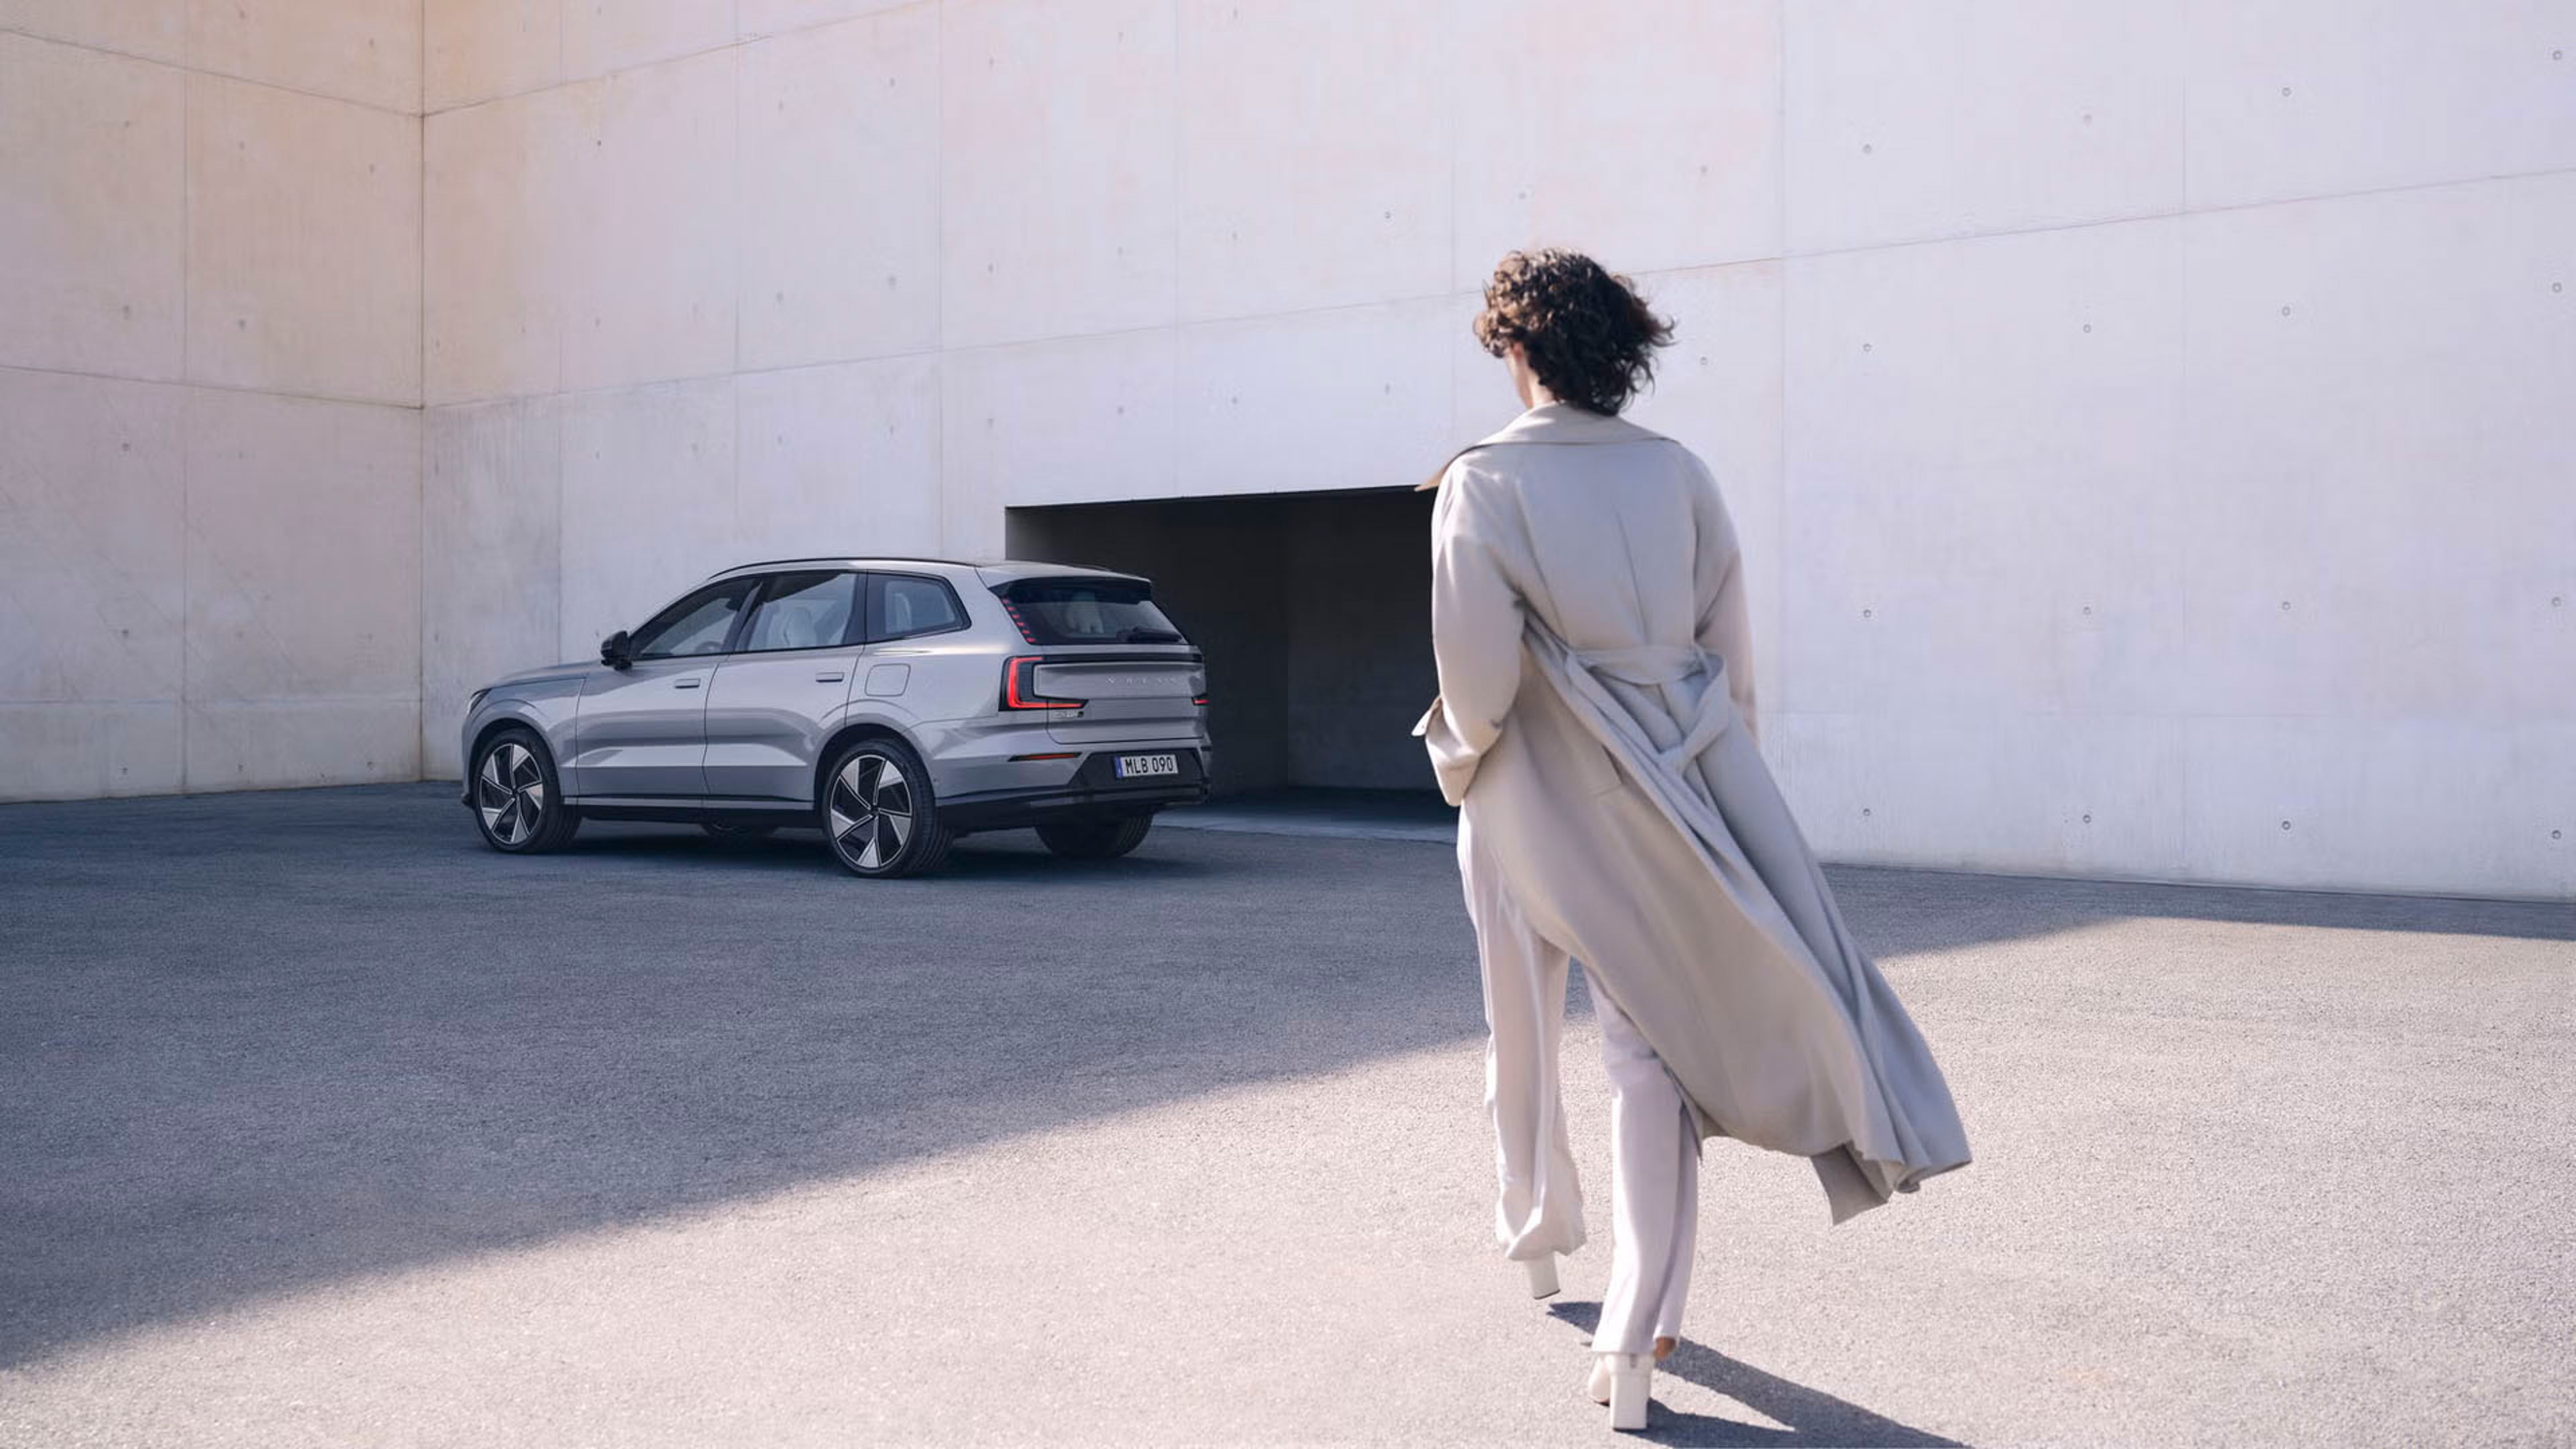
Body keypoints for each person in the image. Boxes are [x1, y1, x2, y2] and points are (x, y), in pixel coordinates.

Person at [1417, 250, 1971, 1431]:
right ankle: (1636, 1333)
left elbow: (1479, 683)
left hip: (1530, 793)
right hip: (1681, 787)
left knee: (1519, 1019)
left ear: (1517, 348)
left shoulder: (1482, 481)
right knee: (1649, 1055)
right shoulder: (1682, 475)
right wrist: (1716, 798)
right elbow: (1733, 667)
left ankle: (1536, 1233)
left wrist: (1456, 758)